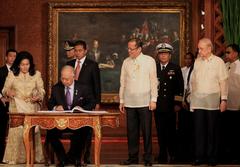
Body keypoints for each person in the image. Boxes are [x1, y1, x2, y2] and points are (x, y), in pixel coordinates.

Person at [119, 38, 158, 166]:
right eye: (128, 48)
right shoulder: (126, 62)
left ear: (139, 49)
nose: (129, 51)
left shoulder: (149, 61)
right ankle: (132, 157)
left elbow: (153, 81)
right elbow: (122, 82)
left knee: (146, 132)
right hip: (130, 102)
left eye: (132, 49)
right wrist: (121, 100)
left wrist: (154, 99)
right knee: (132, 132)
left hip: (145, 102)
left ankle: (147, 158)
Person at [2, 51, 45, 164]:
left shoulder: (36, 74)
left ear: (30, 64)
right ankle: (15, 158)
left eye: (27, 64)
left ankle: (32, 157)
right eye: (22, 64)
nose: (25, 67)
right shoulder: (12, 74)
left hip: (31, 107)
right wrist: (8, 92)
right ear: (18, 65)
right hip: (17, 108)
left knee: (31, 133)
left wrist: (38, 96)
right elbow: (4, 89)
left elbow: (42, 90)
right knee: (18, 133)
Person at [190, 38, 228, 166]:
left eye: (201, 48)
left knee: (212, 130)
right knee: (199, 131)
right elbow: (193, 82)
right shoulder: (197, 62)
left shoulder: (219, 62)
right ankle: (199, 157)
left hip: (212, 102)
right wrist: (192, 101)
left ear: (209, 48)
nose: (199, 51)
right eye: (198, 48)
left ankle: (212, 157)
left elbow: (223, 82)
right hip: (198, 102)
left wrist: (223, 99)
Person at [47, 65, 95, 167]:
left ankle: (76, 158)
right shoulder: (57, 88)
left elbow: (91, 102)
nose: (65, 81)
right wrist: (55, 107)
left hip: (79, 122)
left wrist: (82, 109)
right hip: (61, 122)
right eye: (63, 79)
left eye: (67, 79)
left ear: (74, 76)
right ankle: (62, 158)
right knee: (50, 132)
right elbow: (50, 103)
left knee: (84, 131)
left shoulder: (83, 87)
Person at [66, 40, 101, 164]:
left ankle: (85, 157)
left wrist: (97, 103)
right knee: (74, 130)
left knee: (87, 131)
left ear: (85, 51)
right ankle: (74, 155)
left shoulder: (92, 65)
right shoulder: (69, 64)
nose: (77, 52)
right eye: (75, 50)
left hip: (87, 103)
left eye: (80, 50)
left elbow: (97, 85)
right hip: (71, 103)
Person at [154, 43, 184, 164]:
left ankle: (172, 154)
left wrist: (177, 103)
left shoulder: (175, 68)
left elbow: (180, 87)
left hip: (171, 106)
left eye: (165, 53)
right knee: (160, 132)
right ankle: (162, 154)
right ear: (158, 55)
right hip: (158, 105)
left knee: (171, 132)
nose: (163, 56)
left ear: (170, 55)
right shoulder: (154, 67)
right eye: (161, 53)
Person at [220, 44, 240, 164]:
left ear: (236, 53)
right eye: (225, 52)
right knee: (226, 132)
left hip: (237, 106)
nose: (226, 55)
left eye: (228, 52)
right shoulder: (225, 66)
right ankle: (227, 155)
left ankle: (237, 155)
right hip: (225, 106)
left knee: (237, 133)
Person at [177, 52, 195, 162]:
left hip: (192, 102)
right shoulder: (182, 70)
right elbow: (180, 87)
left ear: (193, 60)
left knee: (192, 127)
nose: (187, 60)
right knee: (182, 127)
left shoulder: (195, 70)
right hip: (183, 102)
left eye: (189, 59)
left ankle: (191, 151)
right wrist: (180, 102)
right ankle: (182, 152)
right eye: (186, 58)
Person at [0, 49, 17, 162]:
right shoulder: (0, 71)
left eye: (15, 56)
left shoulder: (18, 71)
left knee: (14, 131)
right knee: (1, 131)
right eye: (10, 56)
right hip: (2, 105)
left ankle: (12, 157)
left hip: (15, 105)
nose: (12, 58)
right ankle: (1, 157)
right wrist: (1, 97)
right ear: (6, 57)